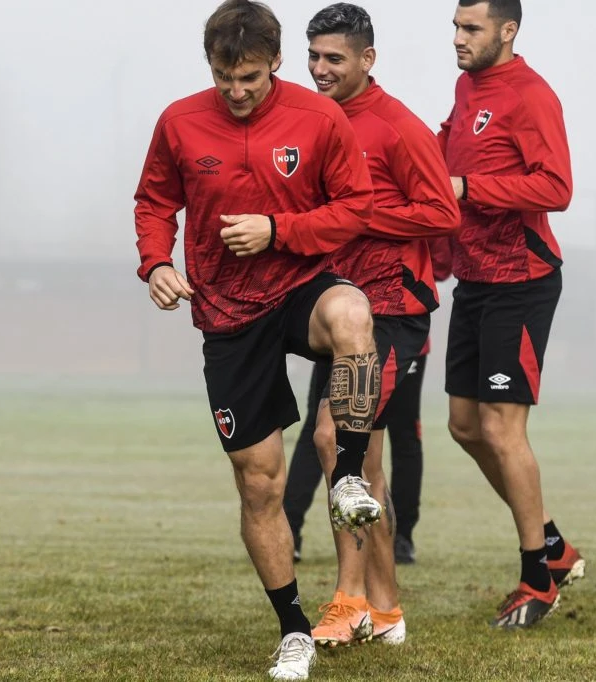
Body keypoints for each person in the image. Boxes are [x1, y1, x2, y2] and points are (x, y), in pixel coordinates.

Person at [133, 1, 383, 677]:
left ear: (275, 61)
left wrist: (278, 230)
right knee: (260, 483)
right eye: (224, 78)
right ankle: (294, 630)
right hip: (226, 311)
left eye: (249, 77)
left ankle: (349, 476)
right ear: (209, 66)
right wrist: (156, 263)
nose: (237, 91)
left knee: (353, 314)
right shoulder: (179, 121)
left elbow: (356, 208)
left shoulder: (318, 117)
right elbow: (154, 202)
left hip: (299, 283)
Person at [295, 3, 461, 648]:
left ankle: (349, 601)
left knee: (335, 437)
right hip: (339, 310)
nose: (320, 69)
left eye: (334, 58)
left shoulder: (398, 127)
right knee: (365, 463)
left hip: (392, 309)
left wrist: (359, 215)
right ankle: (386, 610)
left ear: (367, 59)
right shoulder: (314, 122)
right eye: (314, 56)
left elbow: (442, 212)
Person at [438, 0, 585, 628]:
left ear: (507, 30)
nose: (458, 37)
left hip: (521, 280)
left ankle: (537, 579)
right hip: (473, 278)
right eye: (455, 26)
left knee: (502, 428)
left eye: (470, 28)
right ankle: (552, 544)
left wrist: (471, 189)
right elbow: (448, 152)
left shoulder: (531, 95)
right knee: (464, 426)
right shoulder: (466, 87)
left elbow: (557, 187)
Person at [285, 238, 454, 569]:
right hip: (341, 327)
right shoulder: (343, 206)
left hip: (400, 329)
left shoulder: (416, 208)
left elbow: (442, 263)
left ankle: (401, 537)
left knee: (401, 435)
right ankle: (291, 529)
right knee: (324, 430)